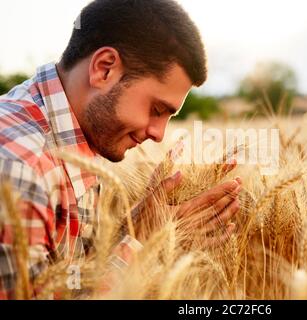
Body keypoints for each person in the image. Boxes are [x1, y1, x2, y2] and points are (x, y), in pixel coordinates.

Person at [0, 0, 241, 299]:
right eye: (156, 108)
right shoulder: (20, 168)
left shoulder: (68, 131)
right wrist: (145, 249)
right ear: (104, 69)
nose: (158, 133)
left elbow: (68, 281)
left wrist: (136, 229)